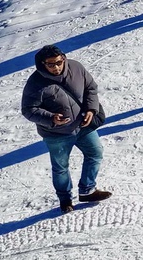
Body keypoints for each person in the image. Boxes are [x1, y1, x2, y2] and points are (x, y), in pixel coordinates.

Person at [20, 45, 109, 213]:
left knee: (95, 153)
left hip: (83, 126)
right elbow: (28, 110)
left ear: (64, 58)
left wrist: (91, 109)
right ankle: (65, 199)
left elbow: (91, 88)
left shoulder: (76, 67)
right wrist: (51, 118)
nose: (56, 67)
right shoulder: (35, 83)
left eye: (59, 62)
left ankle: (87, 190)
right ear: (42, 64)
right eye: (51, 64)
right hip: (57, 134)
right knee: (61, 168)